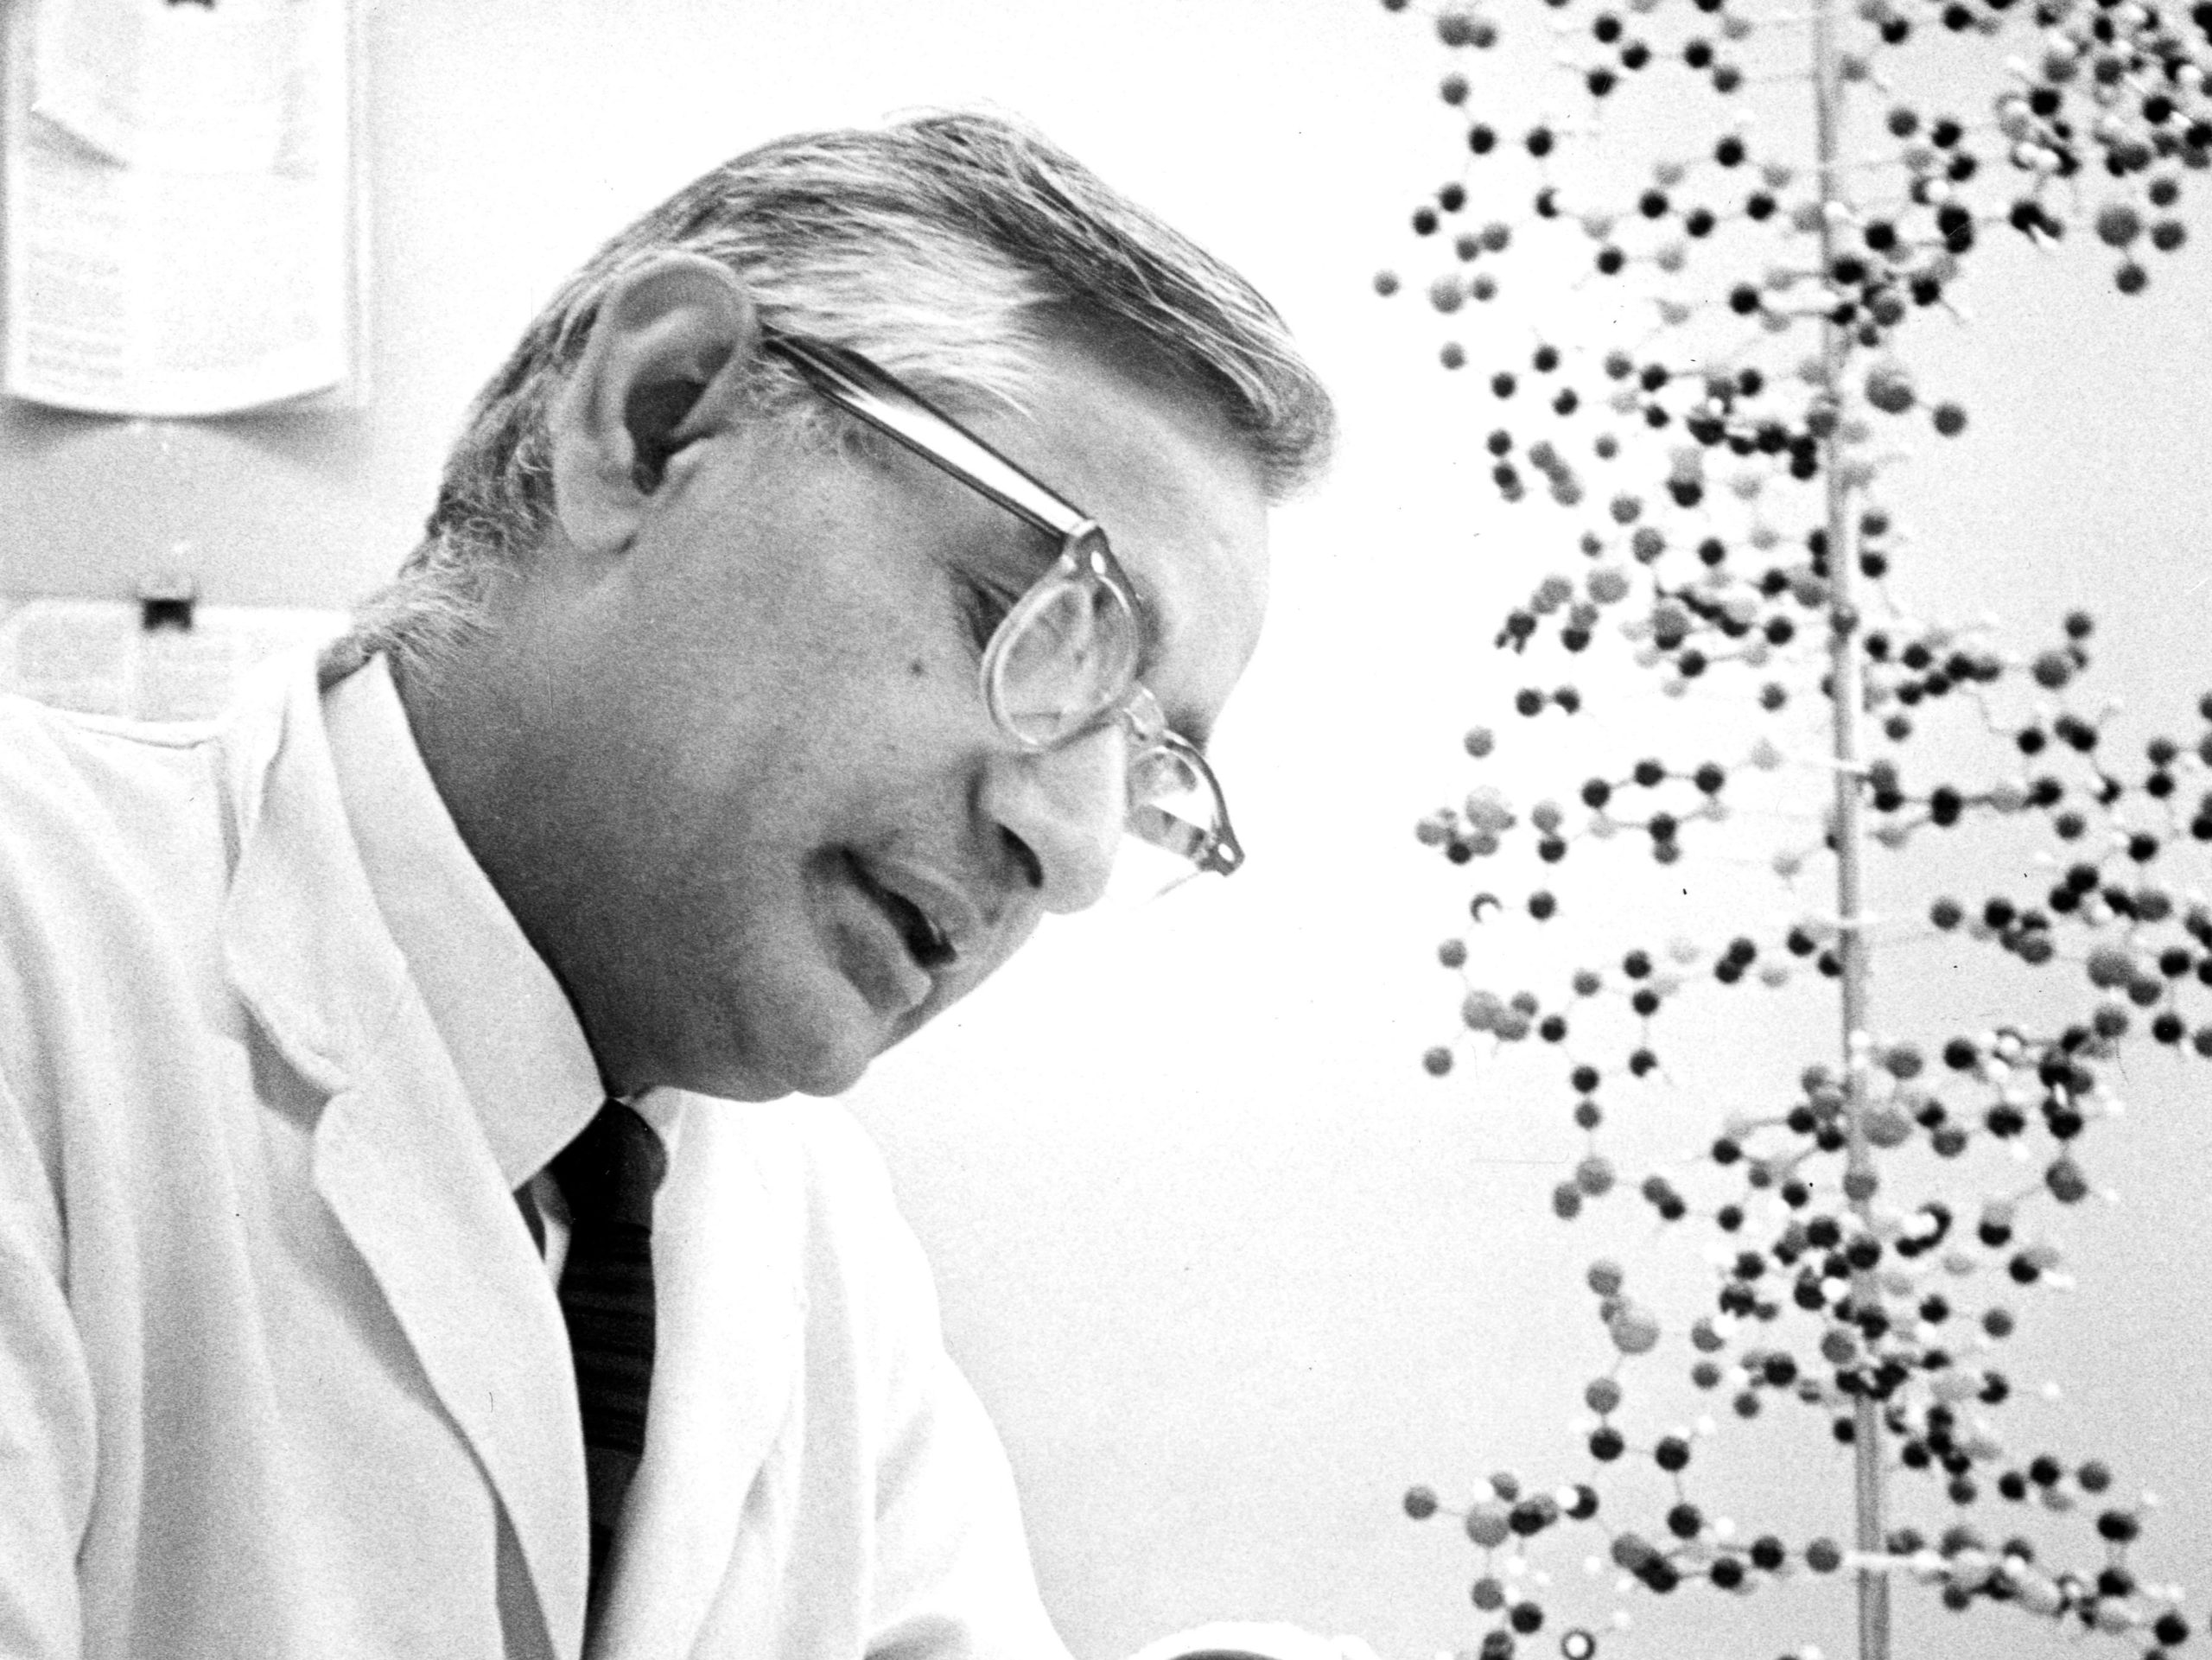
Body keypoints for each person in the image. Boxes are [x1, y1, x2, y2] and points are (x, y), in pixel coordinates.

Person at [0, 112, 1332, 1660]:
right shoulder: (36, 953)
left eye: (1153, 755)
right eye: (1049, 623)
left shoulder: (815, 1234)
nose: (1084, 850)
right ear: (656, 419)